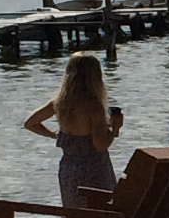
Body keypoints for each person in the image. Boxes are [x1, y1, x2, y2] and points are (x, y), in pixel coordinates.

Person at [24, 53, 122, 205]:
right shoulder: (93, 105)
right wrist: (115, 129)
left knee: (74, 210)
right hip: (94, 169)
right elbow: (100, 145)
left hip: (69, 168)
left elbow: (30, 123)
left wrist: (54, 135)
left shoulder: (60, 103)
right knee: (101, 211)